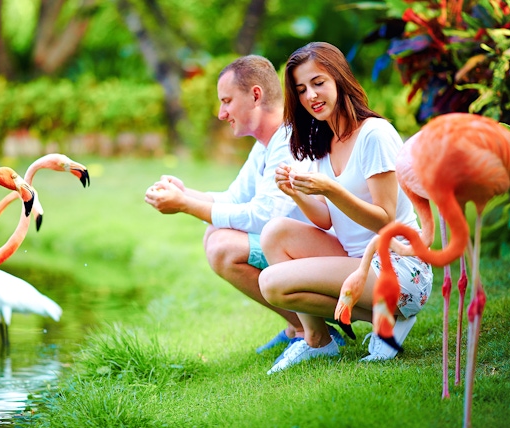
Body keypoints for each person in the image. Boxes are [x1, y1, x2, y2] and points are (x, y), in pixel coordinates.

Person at [144, 55, 345, 353]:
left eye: (226, 101)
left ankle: (313, 333)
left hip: (333, 256)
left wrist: (185, 205)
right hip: (301, 248)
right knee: (215, 235)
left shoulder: (291, 141)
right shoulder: (267, 144)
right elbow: (234, 198)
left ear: (255, 95)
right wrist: (186, 193)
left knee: (222, 246)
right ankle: (299, 327)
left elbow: (263, 218)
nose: (221, 113)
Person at [258, 41, 433, 374]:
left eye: (318, 82)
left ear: (339, 79)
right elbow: (325, 219)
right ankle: (318, 341)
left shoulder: (374, 135)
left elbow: (385, 220)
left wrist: (331, 189)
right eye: (301, 89)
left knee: (271, 283)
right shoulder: (323, 142)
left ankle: (391, 317)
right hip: (356, 261)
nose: (311, 95)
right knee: (274, 233)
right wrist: (296, 191)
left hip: (400, 265)